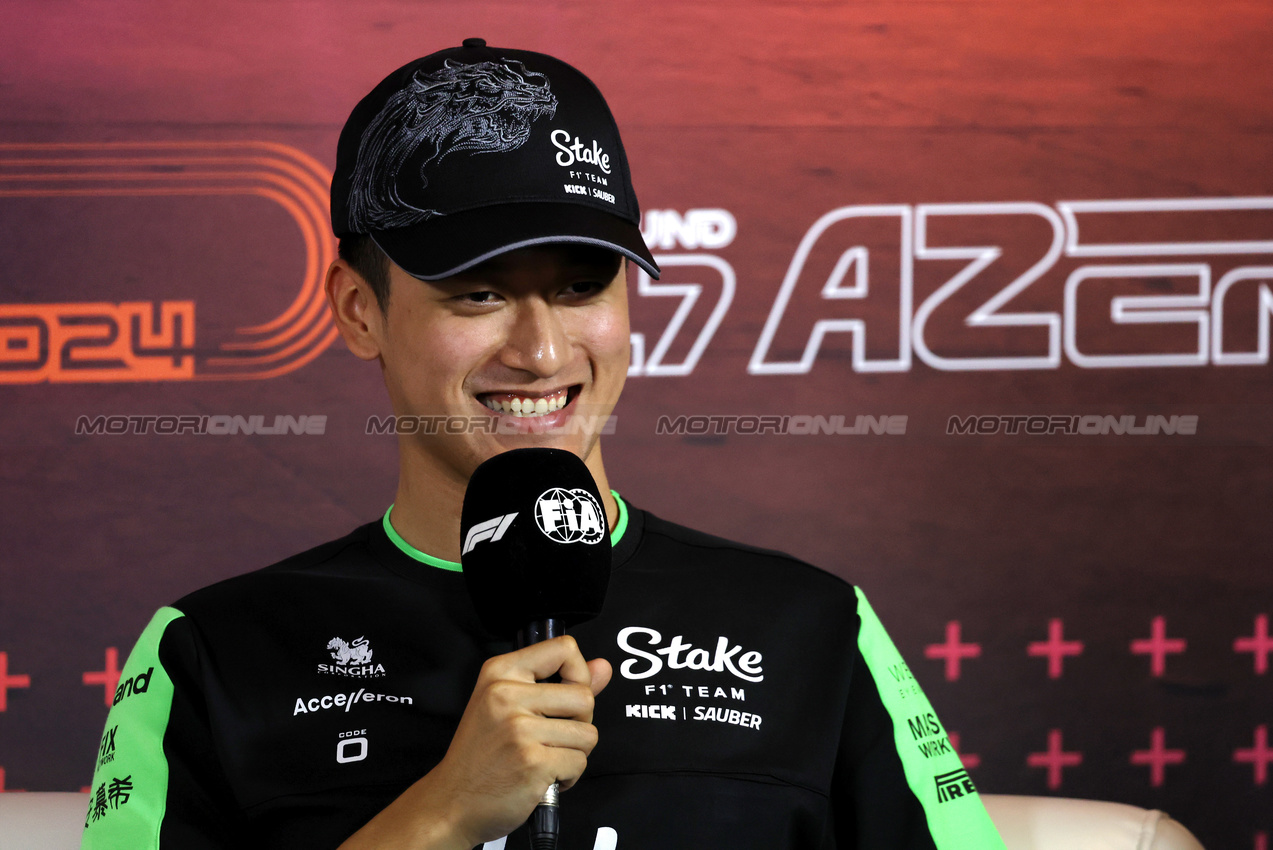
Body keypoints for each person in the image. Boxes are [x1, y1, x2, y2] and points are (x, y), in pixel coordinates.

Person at [81, 40, 1006, 850]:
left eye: (578, 288)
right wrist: (440, 816)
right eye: (477, 294)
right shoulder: (212, 653)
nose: (541, 353)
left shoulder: (810, 624)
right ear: (360, 312)